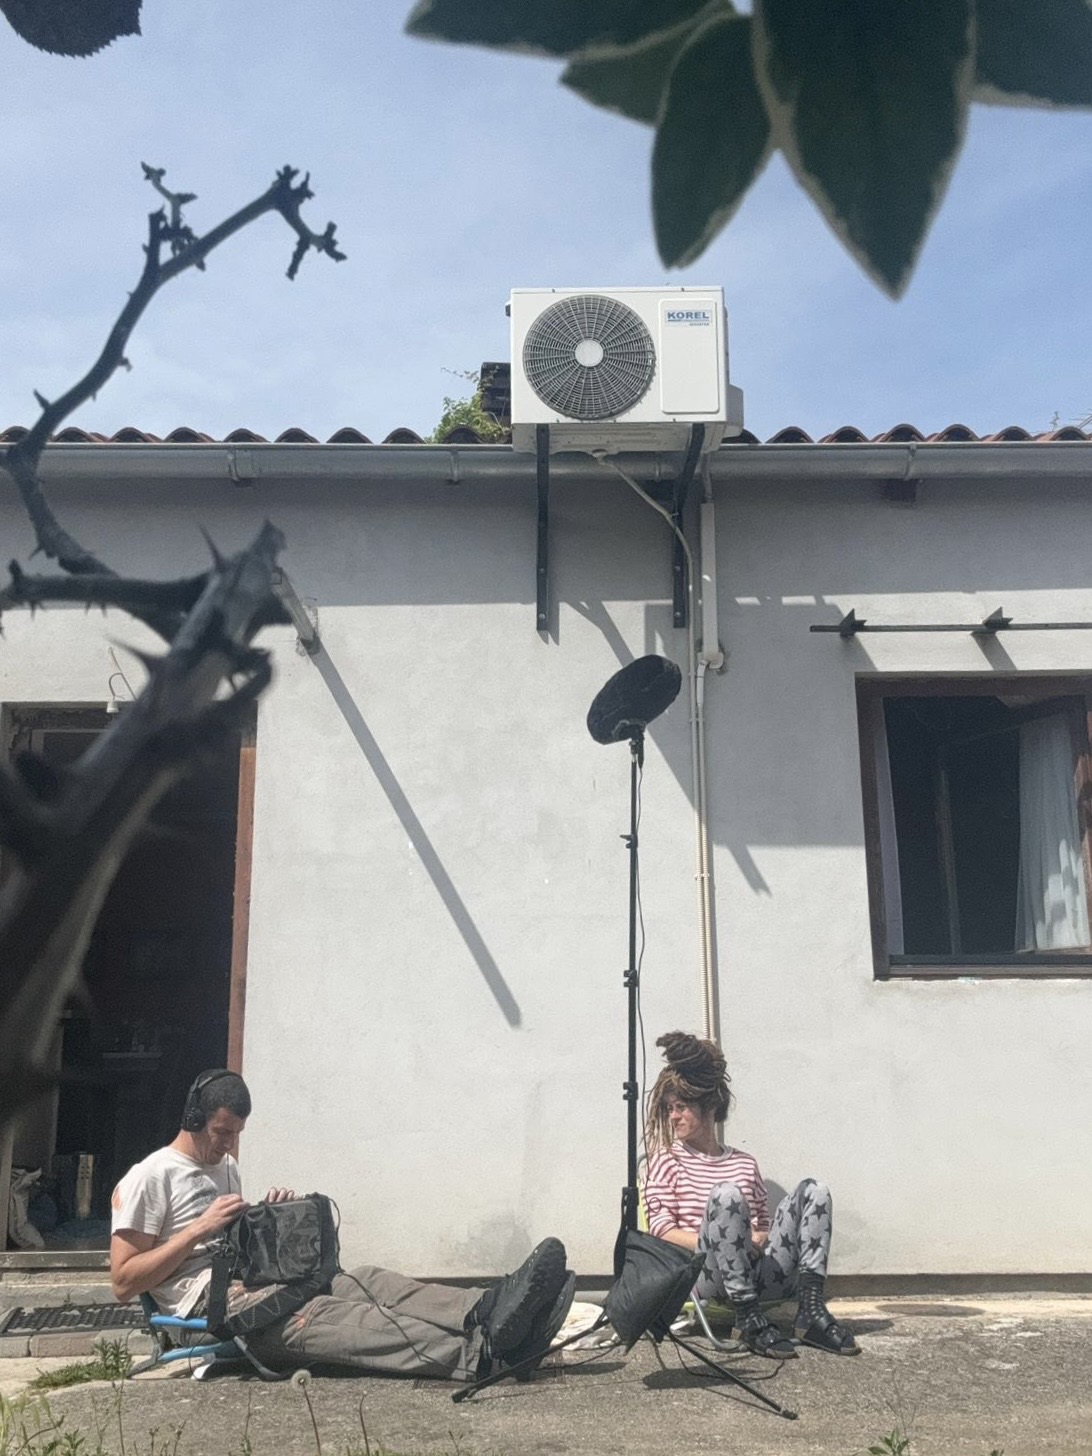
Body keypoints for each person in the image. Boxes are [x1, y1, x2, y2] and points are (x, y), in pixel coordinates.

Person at [111, 1068, 574, 1381]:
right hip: (208, 1311)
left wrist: (269, 1218)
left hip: (254, 1285)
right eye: (223, 1133)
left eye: (236, 1135)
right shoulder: (150, 1177)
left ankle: (488, 1309)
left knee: (365, 1280)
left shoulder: (224, 1167)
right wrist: (197, 1229)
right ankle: (487, 1355)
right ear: (193, 1118)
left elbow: (233, 1243)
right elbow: (124, 1281)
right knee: (340, 1319)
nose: (231, 1145)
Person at [642, 1032, 859, 1359]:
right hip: (707, 1277)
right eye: (670, 1108)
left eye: (681, 1107)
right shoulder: (666, 1160)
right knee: (726, 1195)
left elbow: (763, 1226)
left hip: (761, 1275)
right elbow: (660, 1231)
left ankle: (811, 1311)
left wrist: (757, 1237)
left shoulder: (744, 1163)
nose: (673, 1116)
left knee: (815, 1190)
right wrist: (723, 1242)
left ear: (709, 1106)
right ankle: (746, 1319)